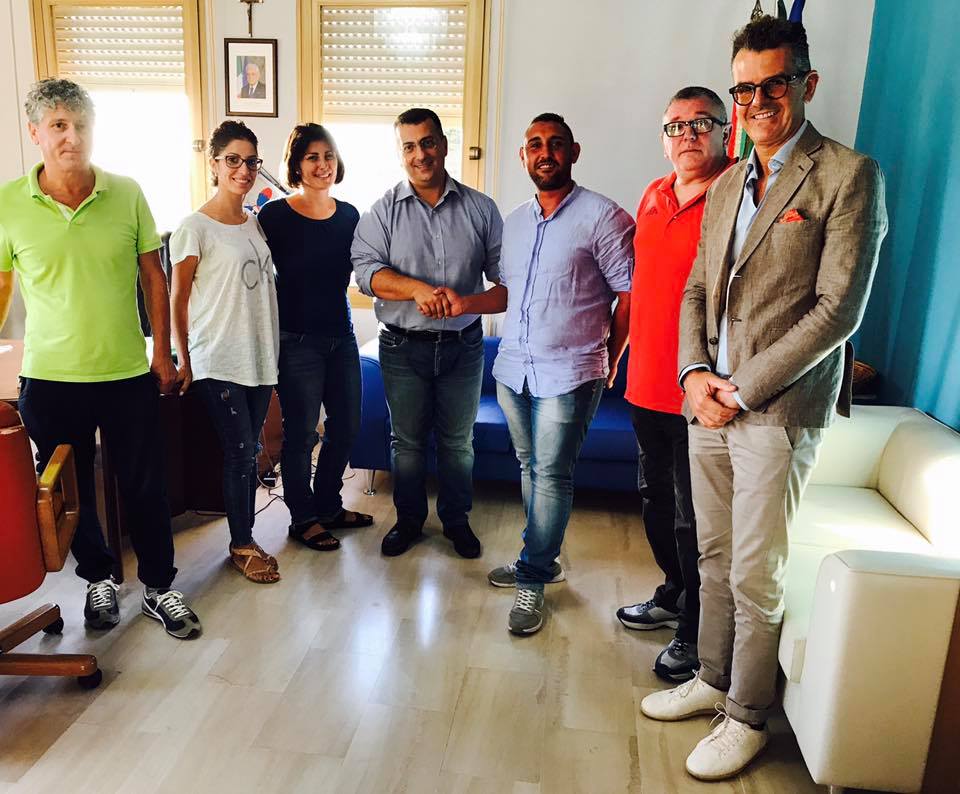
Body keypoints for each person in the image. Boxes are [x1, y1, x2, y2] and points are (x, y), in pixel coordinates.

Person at [639, 16, 888, 781]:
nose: (755, 101)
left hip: (777, 408)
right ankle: (713, 677)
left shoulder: (848, 174)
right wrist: (693, 375)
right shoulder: (727, 182)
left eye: (771, 85)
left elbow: (838, 311)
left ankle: (747, 713)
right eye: (743, 89)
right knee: (712, 556)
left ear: (806, 84)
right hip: (707, 402)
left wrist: (739, 389)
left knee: (755, 570)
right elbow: (696, 288)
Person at [0, 78, 201, 639]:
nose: (72, 137)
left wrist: (162, 352)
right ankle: (98, 578)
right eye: (59, 126)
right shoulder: (9, 202)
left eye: (81, 125)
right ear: (35, 133)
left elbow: (154, 277)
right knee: (73, 493)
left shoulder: (126, 192)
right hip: (50, 377)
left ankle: (160, 586)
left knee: (146, 485)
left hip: (125, 373)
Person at [486, 113, 634, 636]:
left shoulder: (604, 217)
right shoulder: (514, 223)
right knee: (529, 466)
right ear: (523, 156)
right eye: (534, 145)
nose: (544, 152)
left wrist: (611, 357)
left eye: (555, 144)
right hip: (513, 370)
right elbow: (509, 292)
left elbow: (630, 296)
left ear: (574, 152)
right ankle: (542, 561)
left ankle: (532, 575)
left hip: (571, 373)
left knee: (551, 474)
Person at [616, 87, 734, 682]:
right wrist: (616, 352)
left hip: (699, 391)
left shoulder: (739, 193)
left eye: (701, 123)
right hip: (645, 383)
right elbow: (639, 287)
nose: (687, 135)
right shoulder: (652, 194)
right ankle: (673, 593)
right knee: (654, 498)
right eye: (676, 126)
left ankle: (695, 630)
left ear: (725, 132)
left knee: (696, 519)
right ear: (664, 139)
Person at [352, 107, 505, 559]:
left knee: (459, 443)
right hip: (402, 347)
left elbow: (507, 284)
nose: (420, 154)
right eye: (409, 146)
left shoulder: (481, 209)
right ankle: (409, 522)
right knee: (407, 444)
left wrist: (466, 303)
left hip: (464, 346)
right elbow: (366, 274)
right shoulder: (382, 212)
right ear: (401, 153)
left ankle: (456, 521)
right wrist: (416, 289)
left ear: (443, 144)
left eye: (428, 142)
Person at [170, 120, 281, 584]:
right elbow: (177, 298)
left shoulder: (254, 222)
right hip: (217, 358)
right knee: (239, 452)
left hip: (258, 357)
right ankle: (241, 544)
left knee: (250, 451)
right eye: (233, 160)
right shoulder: (194, 227)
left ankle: (245, 537)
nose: (243, 169)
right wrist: (183, 360)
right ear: (214, 163)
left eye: (251, 161)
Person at [258, 124, 372, 552]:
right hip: (296, 341)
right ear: (297, 165)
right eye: (312, 157)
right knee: (302, 434)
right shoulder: (274, 216)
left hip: (341, 336)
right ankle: (302, 518)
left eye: (328, 156)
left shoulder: (350, 215)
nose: (322, 165)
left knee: (346, 426)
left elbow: (366, 268)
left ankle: (328, 506)